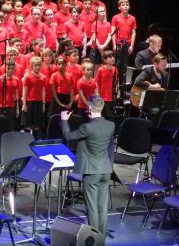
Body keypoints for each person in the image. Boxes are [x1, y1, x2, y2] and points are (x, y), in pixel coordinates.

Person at [60, 96, 115, 245]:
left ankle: (94, 240)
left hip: (92, 172)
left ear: (89, 108)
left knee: (92, 207)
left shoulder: (87, 128)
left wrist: (64, 120)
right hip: (105, 170)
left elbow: (68, 136)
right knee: (102, 207)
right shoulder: (111, 125)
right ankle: (101, 240)